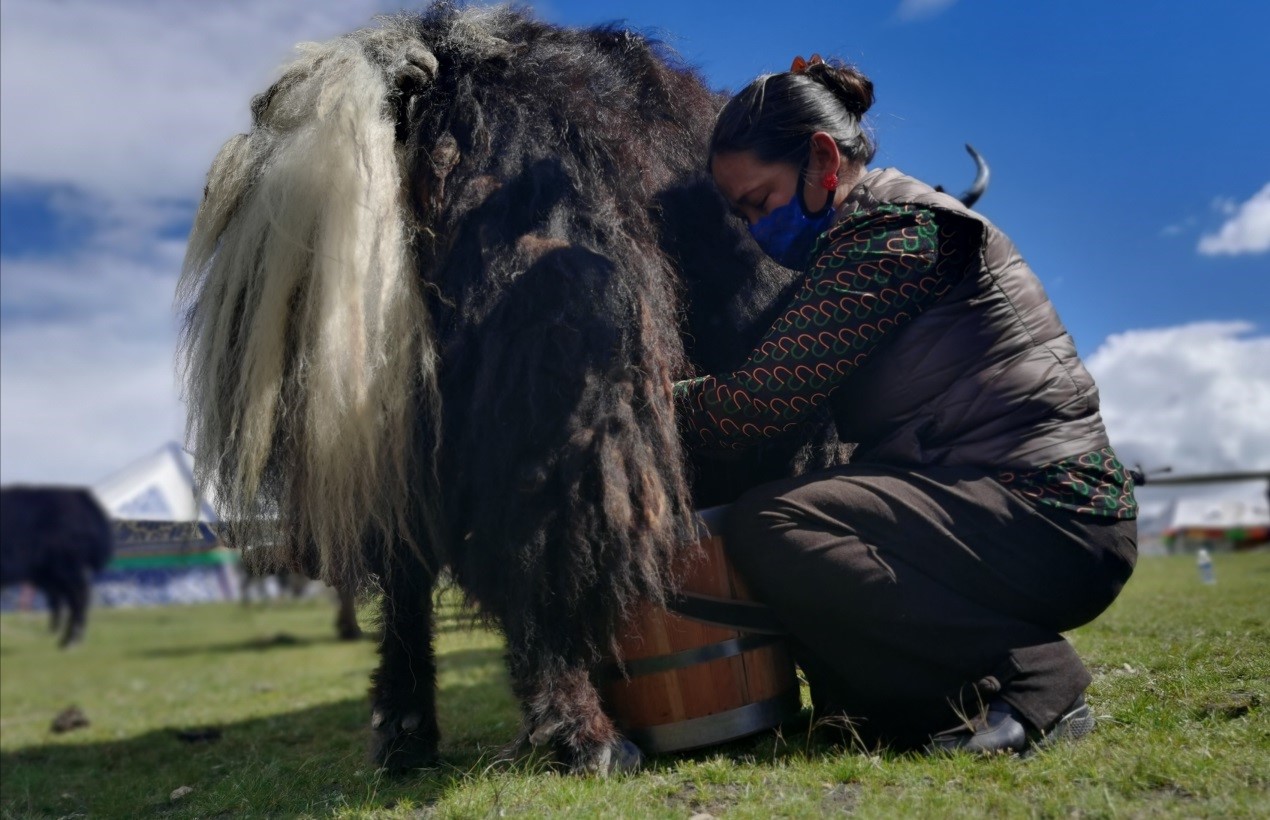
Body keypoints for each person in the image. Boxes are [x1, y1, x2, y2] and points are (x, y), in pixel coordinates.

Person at [674, 55, 1138, 754]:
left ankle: (1034, 674)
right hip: (998, 503)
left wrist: (643, 402)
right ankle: (907, 706)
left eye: (760, 202)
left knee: (777, 520)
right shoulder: (862, 238)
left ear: (823, 159)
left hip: (1055, 513)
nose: (754, 230)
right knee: (796, 508)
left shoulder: (895, 233)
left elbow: (756, 406)